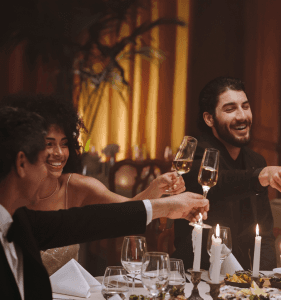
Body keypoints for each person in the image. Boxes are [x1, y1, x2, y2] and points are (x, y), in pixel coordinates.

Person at [0, 107, 209, 300]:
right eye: (42, 156)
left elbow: (88, 221)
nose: (51, 163)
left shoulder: (17, 221)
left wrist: (167, 206)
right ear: (22, 163)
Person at [1, 93, 185, 274]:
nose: (58, 153)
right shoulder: (10, 203)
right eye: (49, 144)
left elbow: (123, 212)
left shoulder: (76, 186)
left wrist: (156, 189)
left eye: (64, 144)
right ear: (23, 156)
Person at [173, 77, 281, 271]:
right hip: (197, 275)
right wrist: (262, 176)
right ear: (209, 118)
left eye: (245, 106)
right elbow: (218, 182)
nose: (242, 116)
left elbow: (265, 233)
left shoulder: (256, 161)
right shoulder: (195, 154)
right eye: (230, 109)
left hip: (241, 281)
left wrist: (265, 281)